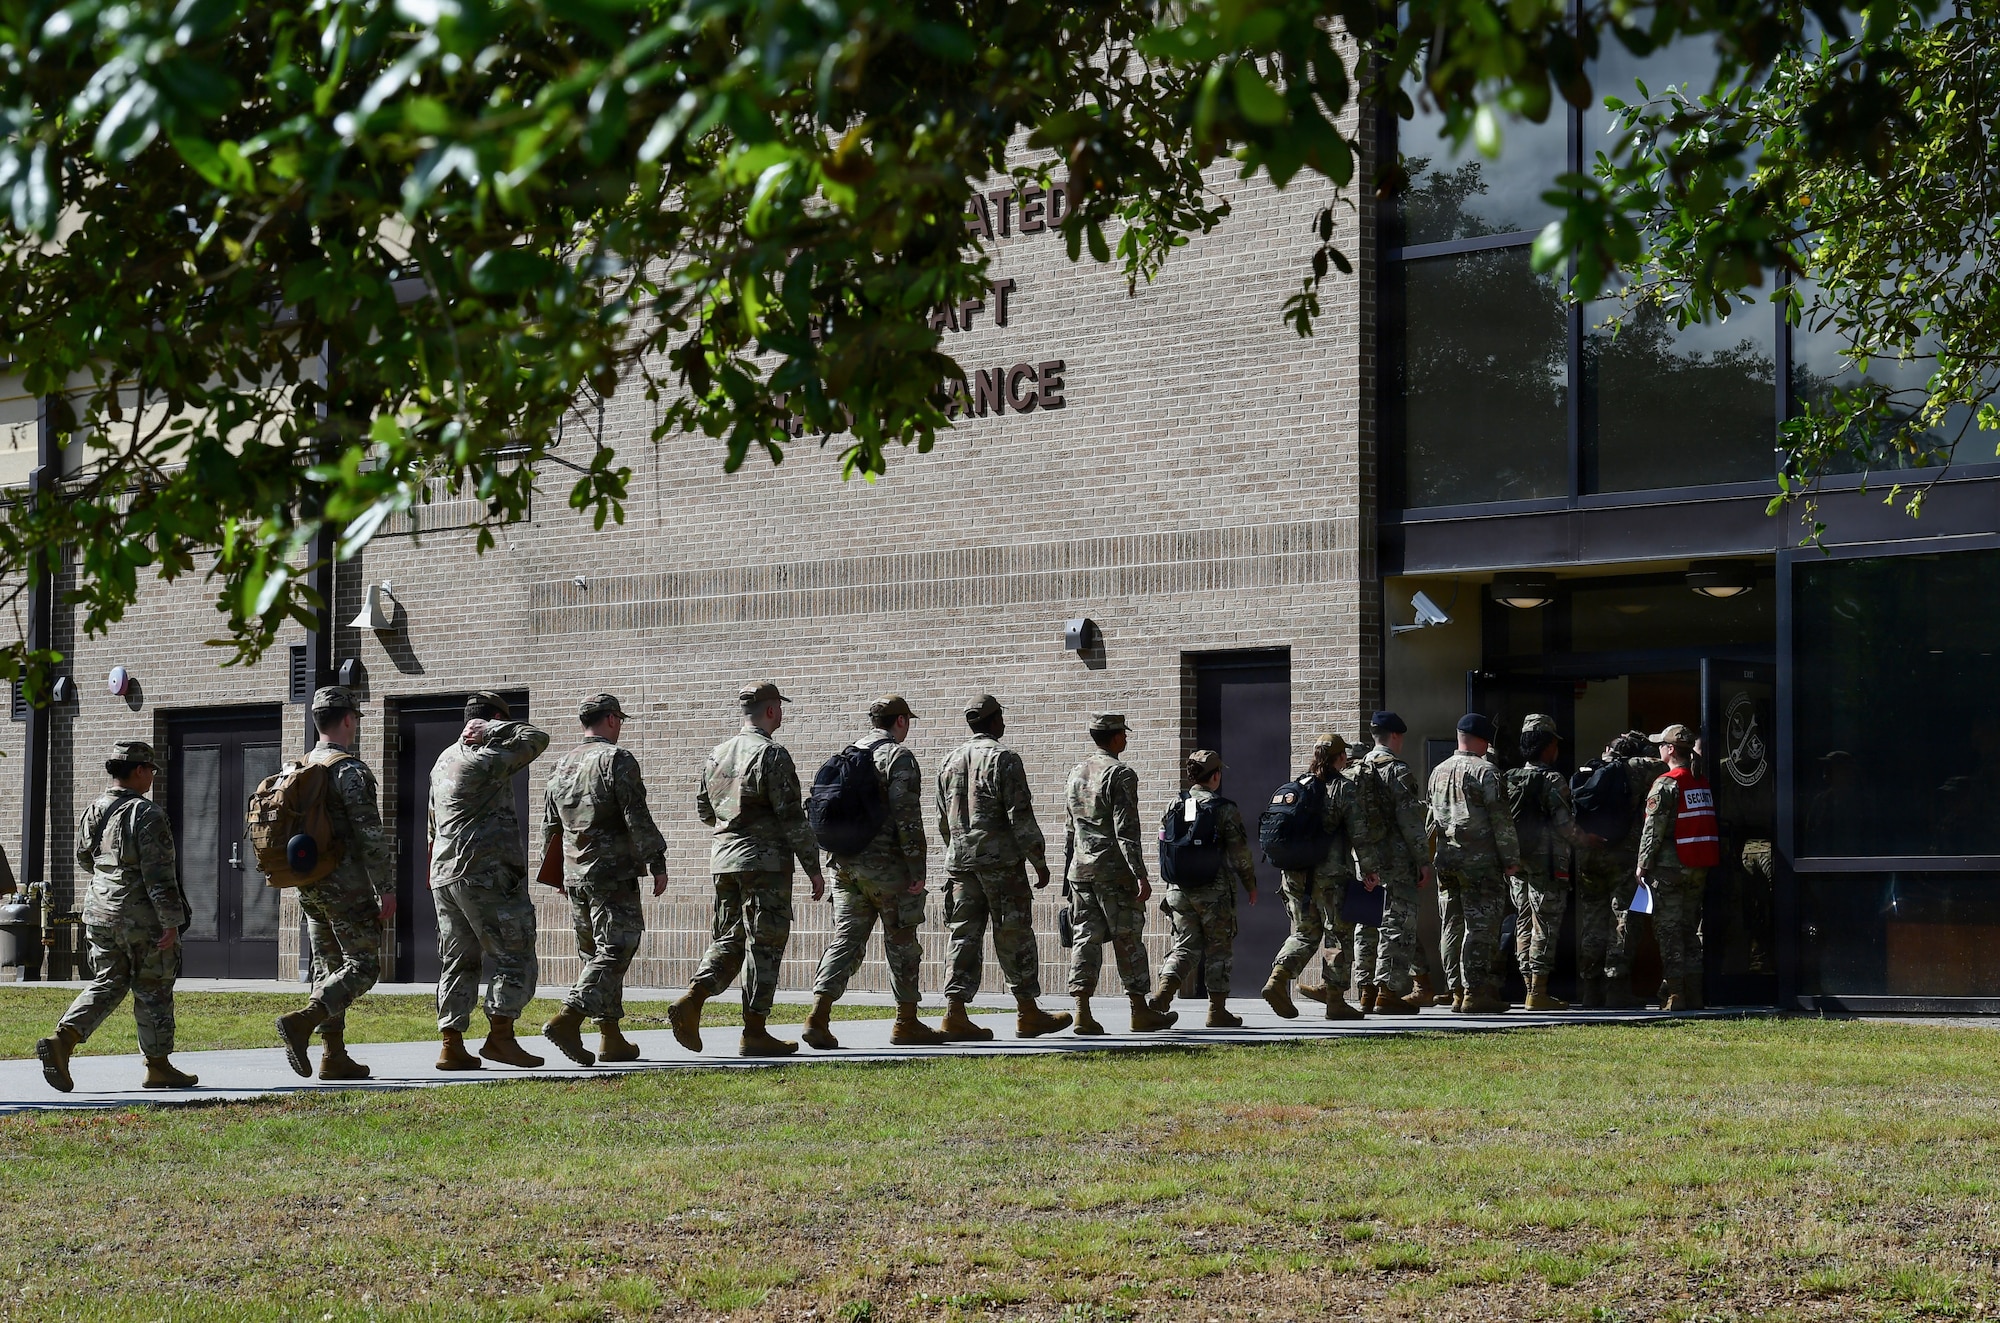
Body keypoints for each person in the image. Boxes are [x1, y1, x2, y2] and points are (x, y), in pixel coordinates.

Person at [674, 681, 826, 1057]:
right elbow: (791, 818)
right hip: (765, 864)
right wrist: (813, 868)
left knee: (731, 937)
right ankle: (754, 1031)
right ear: (772, 710)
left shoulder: (717, 754)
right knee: (765, 944)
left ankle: (693, 998)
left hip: (724, 861)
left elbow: (705, 811)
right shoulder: (772, 754)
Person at [35, 741, 197, 1093]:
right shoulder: (147, 813)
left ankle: (63, 1040)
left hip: (98, 909)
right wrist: (170, 920)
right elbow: (159, 874)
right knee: (153, 987)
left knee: (109, 980)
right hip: (140, 915)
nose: (152, 776)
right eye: (151, 770)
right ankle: (158, 1066)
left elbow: (83, 858)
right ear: (139, 770)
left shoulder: (95, 809)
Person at [803, 695, 948, 1049]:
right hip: (888, 870)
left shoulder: (849, 753)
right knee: (901, 943)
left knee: (846, 940)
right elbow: (907, 818)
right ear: (900, 722)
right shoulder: (898, 757)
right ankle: (906, 1022)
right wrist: (917, 868)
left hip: (845, 867)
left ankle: (818, 1016)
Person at [539, 693, 669, 1066]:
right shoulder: (617, 759)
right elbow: (636, 815)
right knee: (617, 948)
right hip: (611, 873)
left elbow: (551, 825)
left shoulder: (560, 765)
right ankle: (568, 1018)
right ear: (611, 719)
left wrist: (557, 873)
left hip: (575, 874)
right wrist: (656, 862)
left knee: (594, 954)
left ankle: (610, 1038)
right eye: (620, 720)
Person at [426, 692, 551, 1071]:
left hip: (445, 875)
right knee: (515, 955)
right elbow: (536, 739)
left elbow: (432, 825)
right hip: (484, 874)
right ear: (491, 721)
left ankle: (451, 1044)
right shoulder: (485, 759)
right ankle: (500, 1037)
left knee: (458, 959)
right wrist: (496, 729)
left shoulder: (442, 760)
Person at [276, 687, 396, 1080]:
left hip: (308, 884)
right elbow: (370, 835)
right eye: (356, 718)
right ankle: (303, 1020)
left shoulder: (296, 767)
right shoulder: (349, 770)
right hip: (345, 884)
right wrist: (386, 887)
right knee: (363, 966)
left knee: (328, 965)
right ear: (347, 719)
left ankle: (333, 1054)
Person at [935, 693, 1071, 1039]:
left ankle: (955, 1013)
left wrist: (957, 851)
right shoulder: (1004, 759)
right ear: (995, 721)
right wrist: (1038, 860)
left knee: (963, 936)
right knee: (1015, 935)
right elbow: (1020, 816)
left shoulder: (949, 760)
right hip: (1001, 866)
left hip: (961, 864)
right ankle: (1028, 1013)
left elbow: (942, 820)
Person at [1064, 713, 1177, 1034]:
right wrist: (1140, 873)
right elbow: (1126, 829)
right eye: (1123, 735)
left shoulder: (1075, 772)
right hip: (1113, 872)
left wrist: (1065, 869)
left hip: (1080, 871)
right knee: (1128, 939)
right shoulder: (1120, 774)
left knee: (1085, 937)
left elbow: (1069, 827)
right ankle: (1139, 1011)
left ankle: (1082, 1011)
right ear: (1114, 738)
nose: (1126, 739)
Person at [1263, 733, 1381, 1021]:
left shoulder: (1299, 786)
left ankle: (1277, 980)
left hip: (1294, 876)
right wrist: (1370, 870)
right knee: (1337, 935)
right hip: (1330, 877)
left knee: (1304, 932)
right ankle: (1335, 1000)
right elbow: (1360, 833)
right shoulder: (1343, 788)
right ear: (1341, 758)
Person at [1148, 749, 1258, 1028]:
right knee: (1218, 949)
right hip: (1214, 891)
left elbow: (1164, 844)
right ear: (1216, 776)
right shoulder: (1224, 808)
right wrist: (1250, 885)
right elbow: (1240, 854)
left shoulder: (1174, 804)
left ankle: (1163, 993)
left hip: (1178, 889)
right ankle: (1217, 1010)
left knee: (1184, 946)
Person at [1430, 714, 1520, 1014]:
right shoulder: (1488, 772)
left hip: (1446, 859)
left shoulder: (1438, 771)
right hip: (1479, 862)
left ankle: (1455, 989)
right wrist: (1511, 859)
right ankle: (1476, 991)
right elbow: (1501, 820)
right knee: (1480, 927)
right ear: (1483, 740)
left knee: (1452, 923)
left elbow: (1431, 819)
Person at [1347, 712, 1433, 1012]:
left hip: (1365, 861)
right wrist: (1423, 860)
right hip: (1396, 860)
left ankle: (1366, 990)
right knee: (1397, 924)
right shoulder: (1396, 771)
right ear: (1396, 736)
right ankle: (1388, 991)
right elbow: (1410, 821)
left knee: (1367, 922)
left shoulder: (1357, 768)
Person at [1571, 731, 1664, 1009]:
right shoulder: (1636, 768)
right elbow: (1667, 762)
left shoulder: (1589, 770)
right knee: (1623, 918)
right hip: (1623, 854)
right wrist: (1644, 742)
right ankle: (1617, 988)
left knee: (1593, 921)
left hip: (1589, 855)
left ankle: (1590, 990)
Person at [1638, 723, 1713, 1011]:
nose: (1658, 749)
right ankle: (1694, 993)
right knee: (1689, 930)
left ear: (1670, 750)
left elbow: (1652, 829)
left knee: (1669, 932)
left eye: (1661, 745)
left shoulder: (1666, 783)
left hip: (1669, 869)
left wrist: (1642, 865)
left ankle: (1676, 995)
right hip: (1697, 866)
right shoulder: (1700, 780)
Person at [1505, 714, 1577, 1011]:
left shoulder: (1509, 777)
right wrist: (1586, 839)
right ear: (1548, 746)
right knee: (1545, 925)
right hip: (1548, 864)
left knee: (1523, 922)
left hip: (1518, 864)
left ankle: (1528, 987)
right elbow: (1565, 826)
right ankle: (1538, 990)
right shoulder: (1552, 780)